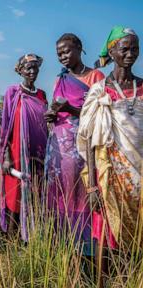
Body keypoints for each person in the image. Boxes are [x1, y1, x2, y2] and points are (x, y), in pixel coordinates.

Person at [77, 27, 142, 269]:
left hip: (139, 175)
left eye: (135, 48)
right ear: (111, 51)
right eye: (124, 48)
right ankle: (105, 279)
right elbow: (91, 142)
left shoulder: (142, 87)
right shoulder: (100, 91)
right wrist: (92, 185)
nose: (130, 53)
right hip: (109, 174)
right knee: (106, 229)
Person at [44, 34, 104, 256]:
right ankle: (64, 248)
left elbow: (99, 114)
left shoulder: (95, 76)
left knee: (84, 194)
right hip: (59, 151)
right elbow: (55, 107)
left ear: (79, 48)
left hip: (84, 148)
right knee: (61, 196)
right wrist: (52, 114)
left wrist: (70, 110)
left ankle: (87, 250)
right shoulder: (59, 79)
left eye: (67, 51)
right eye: (59, 53)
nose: (62, 57)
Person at [0, 54, 48, 240]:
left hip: (39, 152)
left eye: (35, 67)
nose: (32, 71)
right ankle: (12, 240)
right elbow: (5, 127)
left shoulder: (42, 94)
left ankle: (33, 237)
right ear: (20, 70)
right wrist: (5, 156)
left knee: (36, 192)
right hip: (17, 152)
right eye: (28, 68)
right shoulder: (13, 92)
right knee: (15, 195)